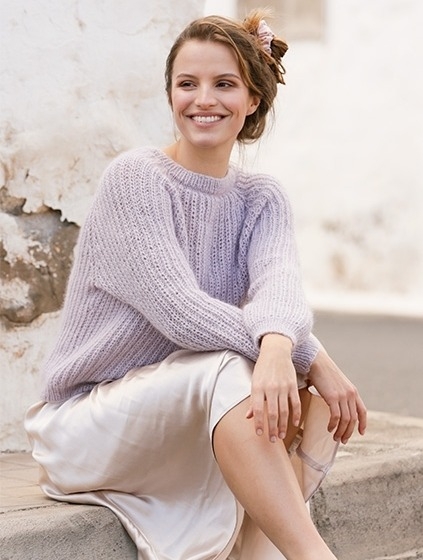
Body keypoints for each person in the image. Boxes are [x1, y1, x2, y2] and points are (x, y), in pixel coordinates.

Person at [25, 9, 367, 560]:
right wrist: (308, 355)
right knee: (237, 368)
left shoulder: (262, 199)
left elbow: (280, 292)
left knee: (306, 394)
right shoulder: (136, 179)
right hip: (87, 426)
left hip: (186, 415)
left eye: (224, 84)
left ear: (252, 99)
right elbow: (181, 311)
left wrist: (290, 351)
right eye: (188, 84)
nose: (203, 99)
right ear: (170, 95)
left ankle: (260, 550)